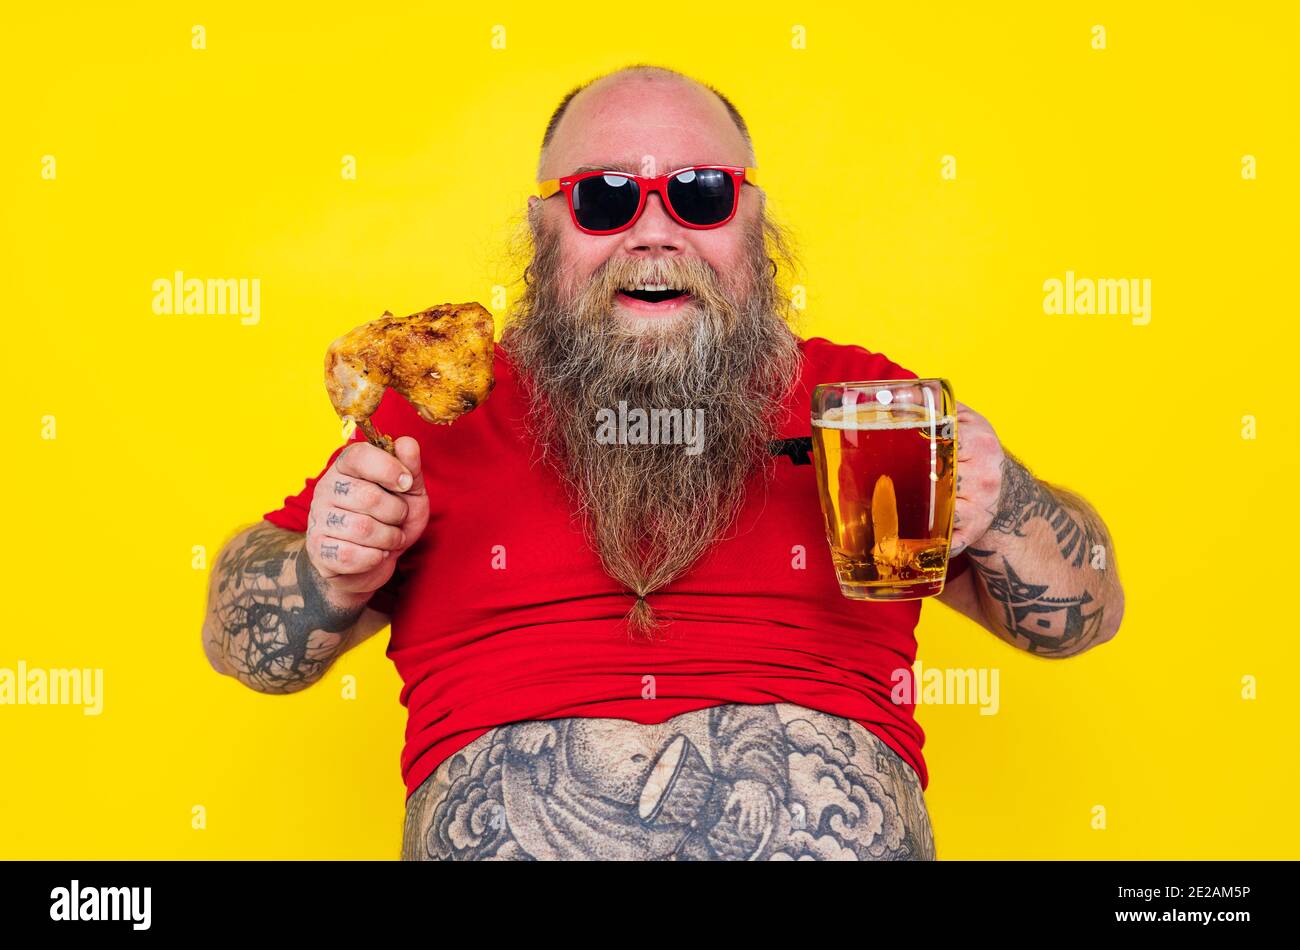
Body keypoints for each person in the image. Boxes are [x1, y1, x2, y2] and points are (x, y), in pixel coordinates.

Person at [201, 64, 1124, 861]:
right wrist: (328, 568)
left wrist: (1005, 506)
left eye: (701, 193)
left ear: (754, 223)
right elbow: (250, 654)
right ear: (544, 231)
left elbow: (1081, 619)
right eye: (604, 198)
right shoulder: (436, 420)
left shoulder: (862, 406)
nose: (654, 232)